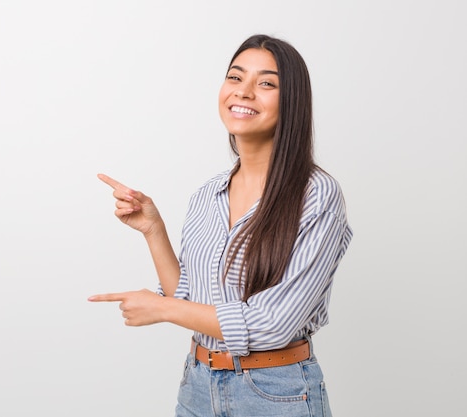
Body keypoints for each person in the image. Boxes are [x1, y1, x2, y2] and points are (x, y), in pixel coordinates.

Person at [88, 33, 353, 417]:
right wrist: (154, 230)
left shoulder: (317, 194)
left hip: (275, 393)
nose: (243, 92)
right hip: (198, 386)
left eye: (266, 83)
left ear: (292, 101)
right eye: (235, 77)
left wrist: (161, 309)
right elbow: (191, 299)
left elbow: (274, 323)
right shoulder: (208, 194)